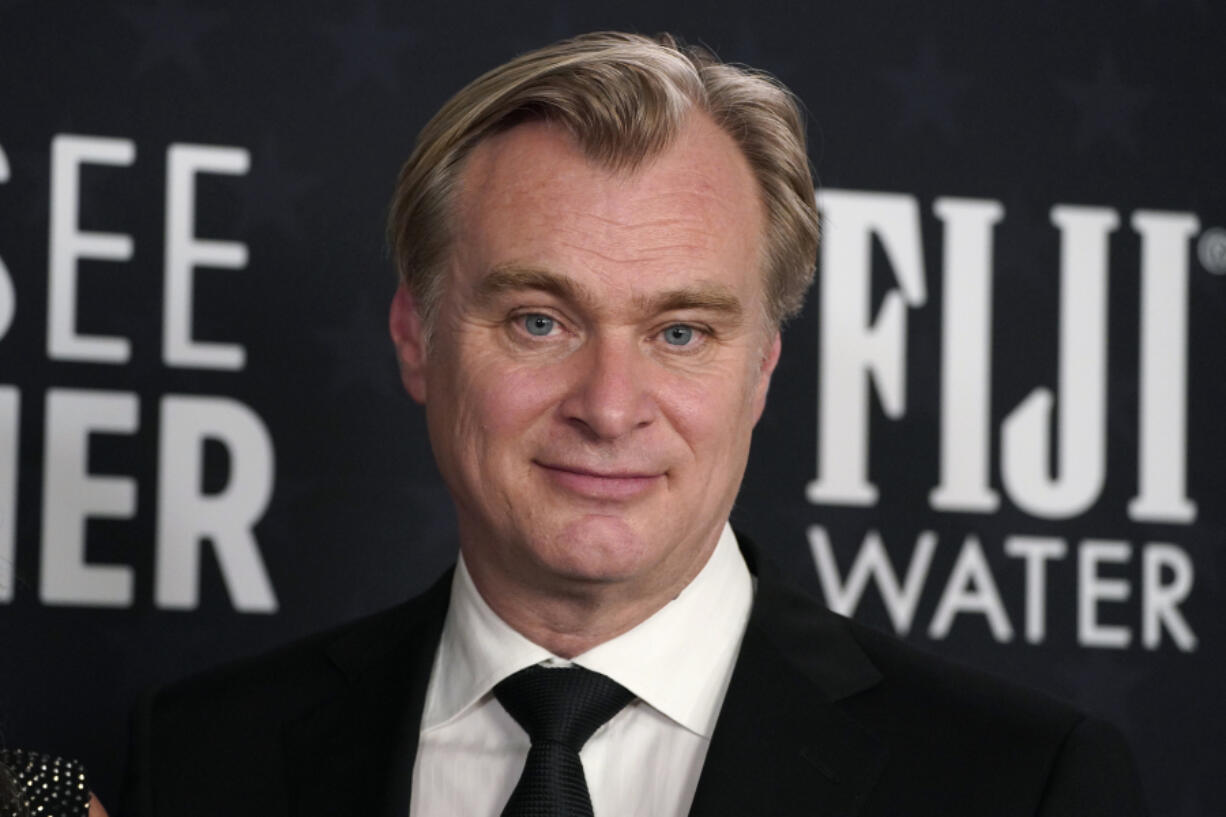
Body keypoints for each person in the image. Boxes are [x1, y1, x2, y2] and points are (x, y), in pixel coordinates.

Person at [123, 32, 1148, 817]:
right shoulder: (203, 757)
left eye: (680, 332)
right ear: (414, 337)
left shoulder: (1020, 786)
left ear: (760, 369)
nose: (609, 406)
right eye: (538, 320)